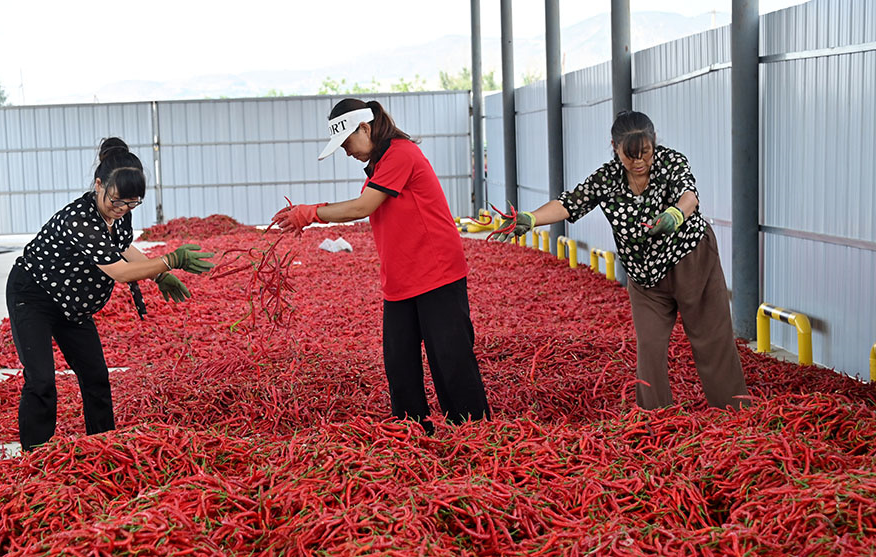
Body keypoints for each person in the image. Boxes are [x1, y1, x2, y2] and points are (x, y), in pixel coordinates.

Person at [498, 111, 748, 410]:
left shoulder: (671, 162)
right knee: (650, 347)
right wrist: (531, 218)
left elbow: (688, 195)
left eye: (645, 153)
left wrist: (676, 213)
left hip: (691, 260)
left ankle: (734, 413)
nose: (639, 162)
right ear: (614, 147)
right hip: (644, 276)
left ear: (654, 144)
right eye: (629, 155)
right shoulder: (607, 179)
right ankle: (657, 418)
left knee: (712, 338)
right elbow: (570, 203)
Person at [272, 99, 490, 433]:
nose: (347, 153)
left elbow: (363, 206)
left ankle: (473, 433)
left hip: (436, 272)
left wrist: (310, 213)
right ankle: (412, 432)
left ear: (365, 127)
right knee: (399, 362)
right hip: (401, 277)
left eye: (347, 143)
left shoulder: (401, 154)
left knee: (451, 359)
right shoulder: (382, 162)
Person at [5, 137, 214, 451]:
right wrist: (169, 260)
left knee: (96, 377)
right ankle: (35, 457)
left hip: (73, 306)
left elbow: (123, 247)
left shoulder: (119, 213)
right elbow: (118, 271)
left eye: (131, 204)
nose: (122, 209)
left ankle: (102, 448)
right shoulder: (80, 219)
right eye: (116, 201)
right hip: (34, 295)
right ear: (99, 184)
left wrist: (159, 274)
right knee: (42, 380)